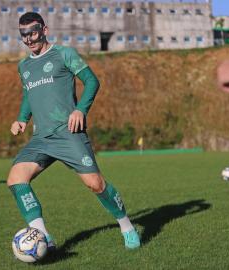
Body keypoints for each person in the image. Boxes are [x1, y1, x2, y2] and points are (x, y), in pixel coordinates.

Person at [7, 12, 140, 250]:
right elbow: (29, 94)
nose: (28, 39)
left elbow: (91, 81)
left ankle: (126, 225)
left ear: (44, 30)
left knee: (95, 184)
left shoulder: (64, 53)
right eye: (23, 35)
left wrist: (80, 110)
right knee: (16, 179)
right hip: (41, 138)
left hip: (68, 132)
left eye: (33, 32)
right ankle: (43, 237)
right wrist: (21, 119)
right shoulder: (24, 65)